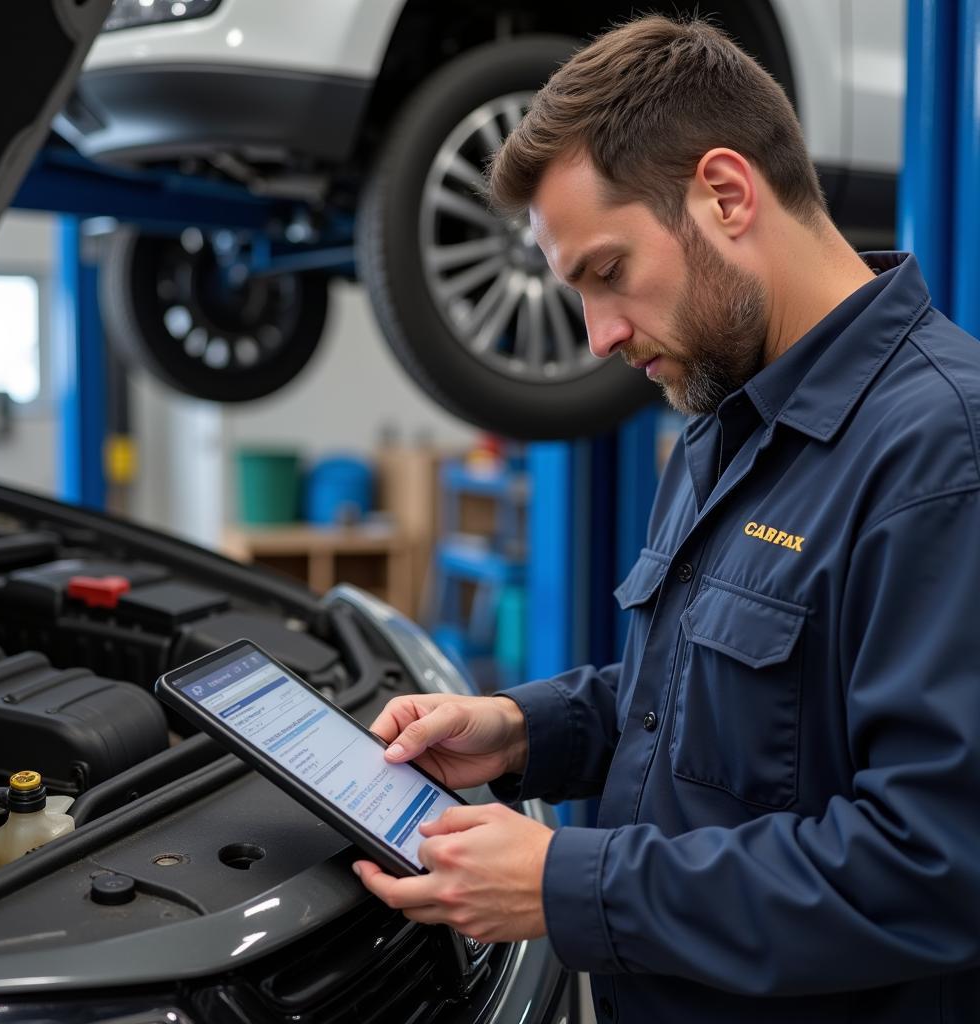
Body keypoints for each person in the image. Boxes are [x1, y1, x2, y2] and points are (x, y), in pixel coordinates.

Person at [352, 14, 980, 1022]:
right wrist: (520, 731)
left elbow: (935, 866)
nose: (598, 336)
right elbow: (714, 710)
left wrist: (567, 880)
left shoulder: (941, 452)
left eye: (607, 274)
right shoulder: (720, 419)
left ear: (725, 195)